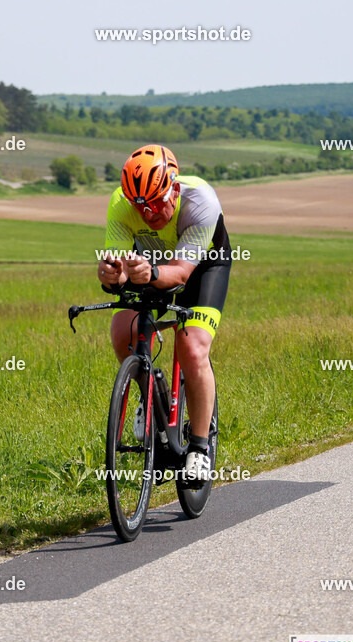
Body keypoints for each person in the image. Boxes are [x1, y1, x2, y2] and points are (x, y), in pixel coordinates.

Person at [97, 144, 231, 485]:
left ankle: (199, 448)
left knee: (192, 347)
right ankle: (150, 395)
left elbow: (182, 275)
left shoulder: (201, 201)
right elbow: (119, 265)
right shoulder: (122, 203)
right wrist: (113, 275)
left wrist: (150, 274)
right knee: (123, 332)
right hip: (151, 265)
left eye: (156, 201)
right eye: (139, 205)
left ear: (173, 187)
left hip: (201, 268)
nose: (148, 212)